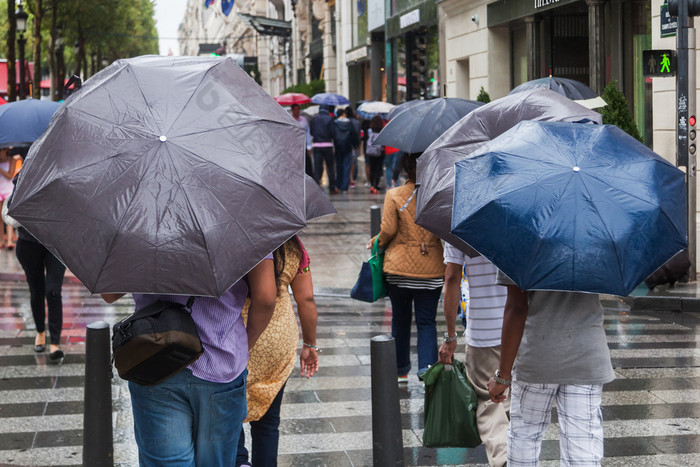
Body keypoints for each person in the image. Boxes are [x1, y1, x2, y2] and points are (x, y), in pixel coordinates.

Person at [101, 258, 277, 466]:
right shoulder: (246, 226)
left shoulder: (138, 226)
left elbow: (109, 293)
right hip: (222, 359)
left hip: (154, 357)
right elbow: (265, 298)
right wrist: (243, 345)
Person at [488, 273, 615, 466]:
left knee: (525, 436)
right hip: (586, 355)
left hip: (537, 356)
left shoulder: (517, 245)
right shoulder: (597, 244)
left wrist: (503, 376)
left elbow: (516, 308)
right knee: (582, 446)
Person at [236, 236, 319, 467]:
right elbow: (307, 299)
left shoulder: (233, 240)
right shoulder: (293, 245)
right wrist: (310, 345)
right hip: (277, 339)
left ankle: (239, 461)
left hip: (236, 334)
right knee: (269, 422)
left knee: (230, 416)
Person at [370, 153, 445, 381]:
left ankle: (400, 369)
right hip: (432, 270)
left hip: (399, 271)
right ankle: (427, 369)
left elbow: (388, 231)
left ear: (405, 168)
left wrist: (376, 242)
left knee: (400, 320)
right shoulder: (438, 195)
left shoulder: (394, 195)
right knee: (426, 322)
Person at [438, 244, 509, 467]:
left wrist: (450, 336)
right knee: (517, 404)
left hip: (484, 333)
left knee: (491, 404)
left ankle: (505, 459)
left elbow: (452, 278)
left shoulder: (460, 226)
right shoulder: (519, 218)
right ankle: (522, 455)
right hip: (521, 329)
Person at [16, 223, 67, 361]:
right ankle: (40, 331)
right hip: (28, 241)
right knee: (36, 290)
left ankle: (55, 343)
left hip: (57, 242)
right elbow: (9, 211)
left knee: (53, 291)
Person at [310, 105, 338, 194]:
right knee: (330, 167)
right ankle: (332, 188)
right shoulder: (330, 119)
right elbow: (333, 133)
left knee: (317, 167)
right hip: (327, 145)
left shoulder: (314, 119)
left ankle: (315, 188)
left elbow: (311, 132)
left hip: (317, 145)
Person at [332, 108, 360, 192]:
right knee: (347, 165)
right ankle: (345, 186)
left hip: (338, 146)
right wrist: (355, 145)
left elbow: (332, 134)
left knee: (339, 165)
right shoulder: (349, 123)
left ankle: (338, 185)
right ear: (344, 114)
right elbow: (354, 135)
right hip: (348, 146)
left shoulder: (335, 123)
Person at [0, 147, 18, 249]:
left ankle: (10, 240)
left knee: (8, 216)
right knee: (0, 218)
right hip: (0, 190)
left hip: (8, 191)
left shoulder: (12, 160)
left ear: (5, 150)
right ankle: (2, 239)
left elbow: (10, 175)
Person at [291, 103, 313, 178]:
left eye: (298, 109)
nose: (297, 111)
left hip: (303, 145)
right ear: (292, 110)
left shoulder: (303, 119)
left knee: (307, 165)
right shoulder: (289, 119)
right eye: (295, 110)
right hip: (293, 146)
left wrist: (309, 146)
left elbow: (308, 132)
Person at [365, 116, 385, 194]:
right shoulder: (382, 131)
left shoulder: (369, 131)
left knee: (372, 169)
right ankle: (376, 185)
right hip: (379, 153)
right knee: (378, 169)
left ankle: (372, 185)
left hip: (370, 152)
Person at [345, 106, 362, 188]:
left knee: (346, 162)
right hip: (354, 144)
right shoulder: (357, 122)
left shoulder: (344, 121)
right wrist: (358, 145)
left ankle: (348, 178)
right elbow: (358, 135)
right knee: (353, 162)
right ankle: (352, 178)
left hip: (345, 144)